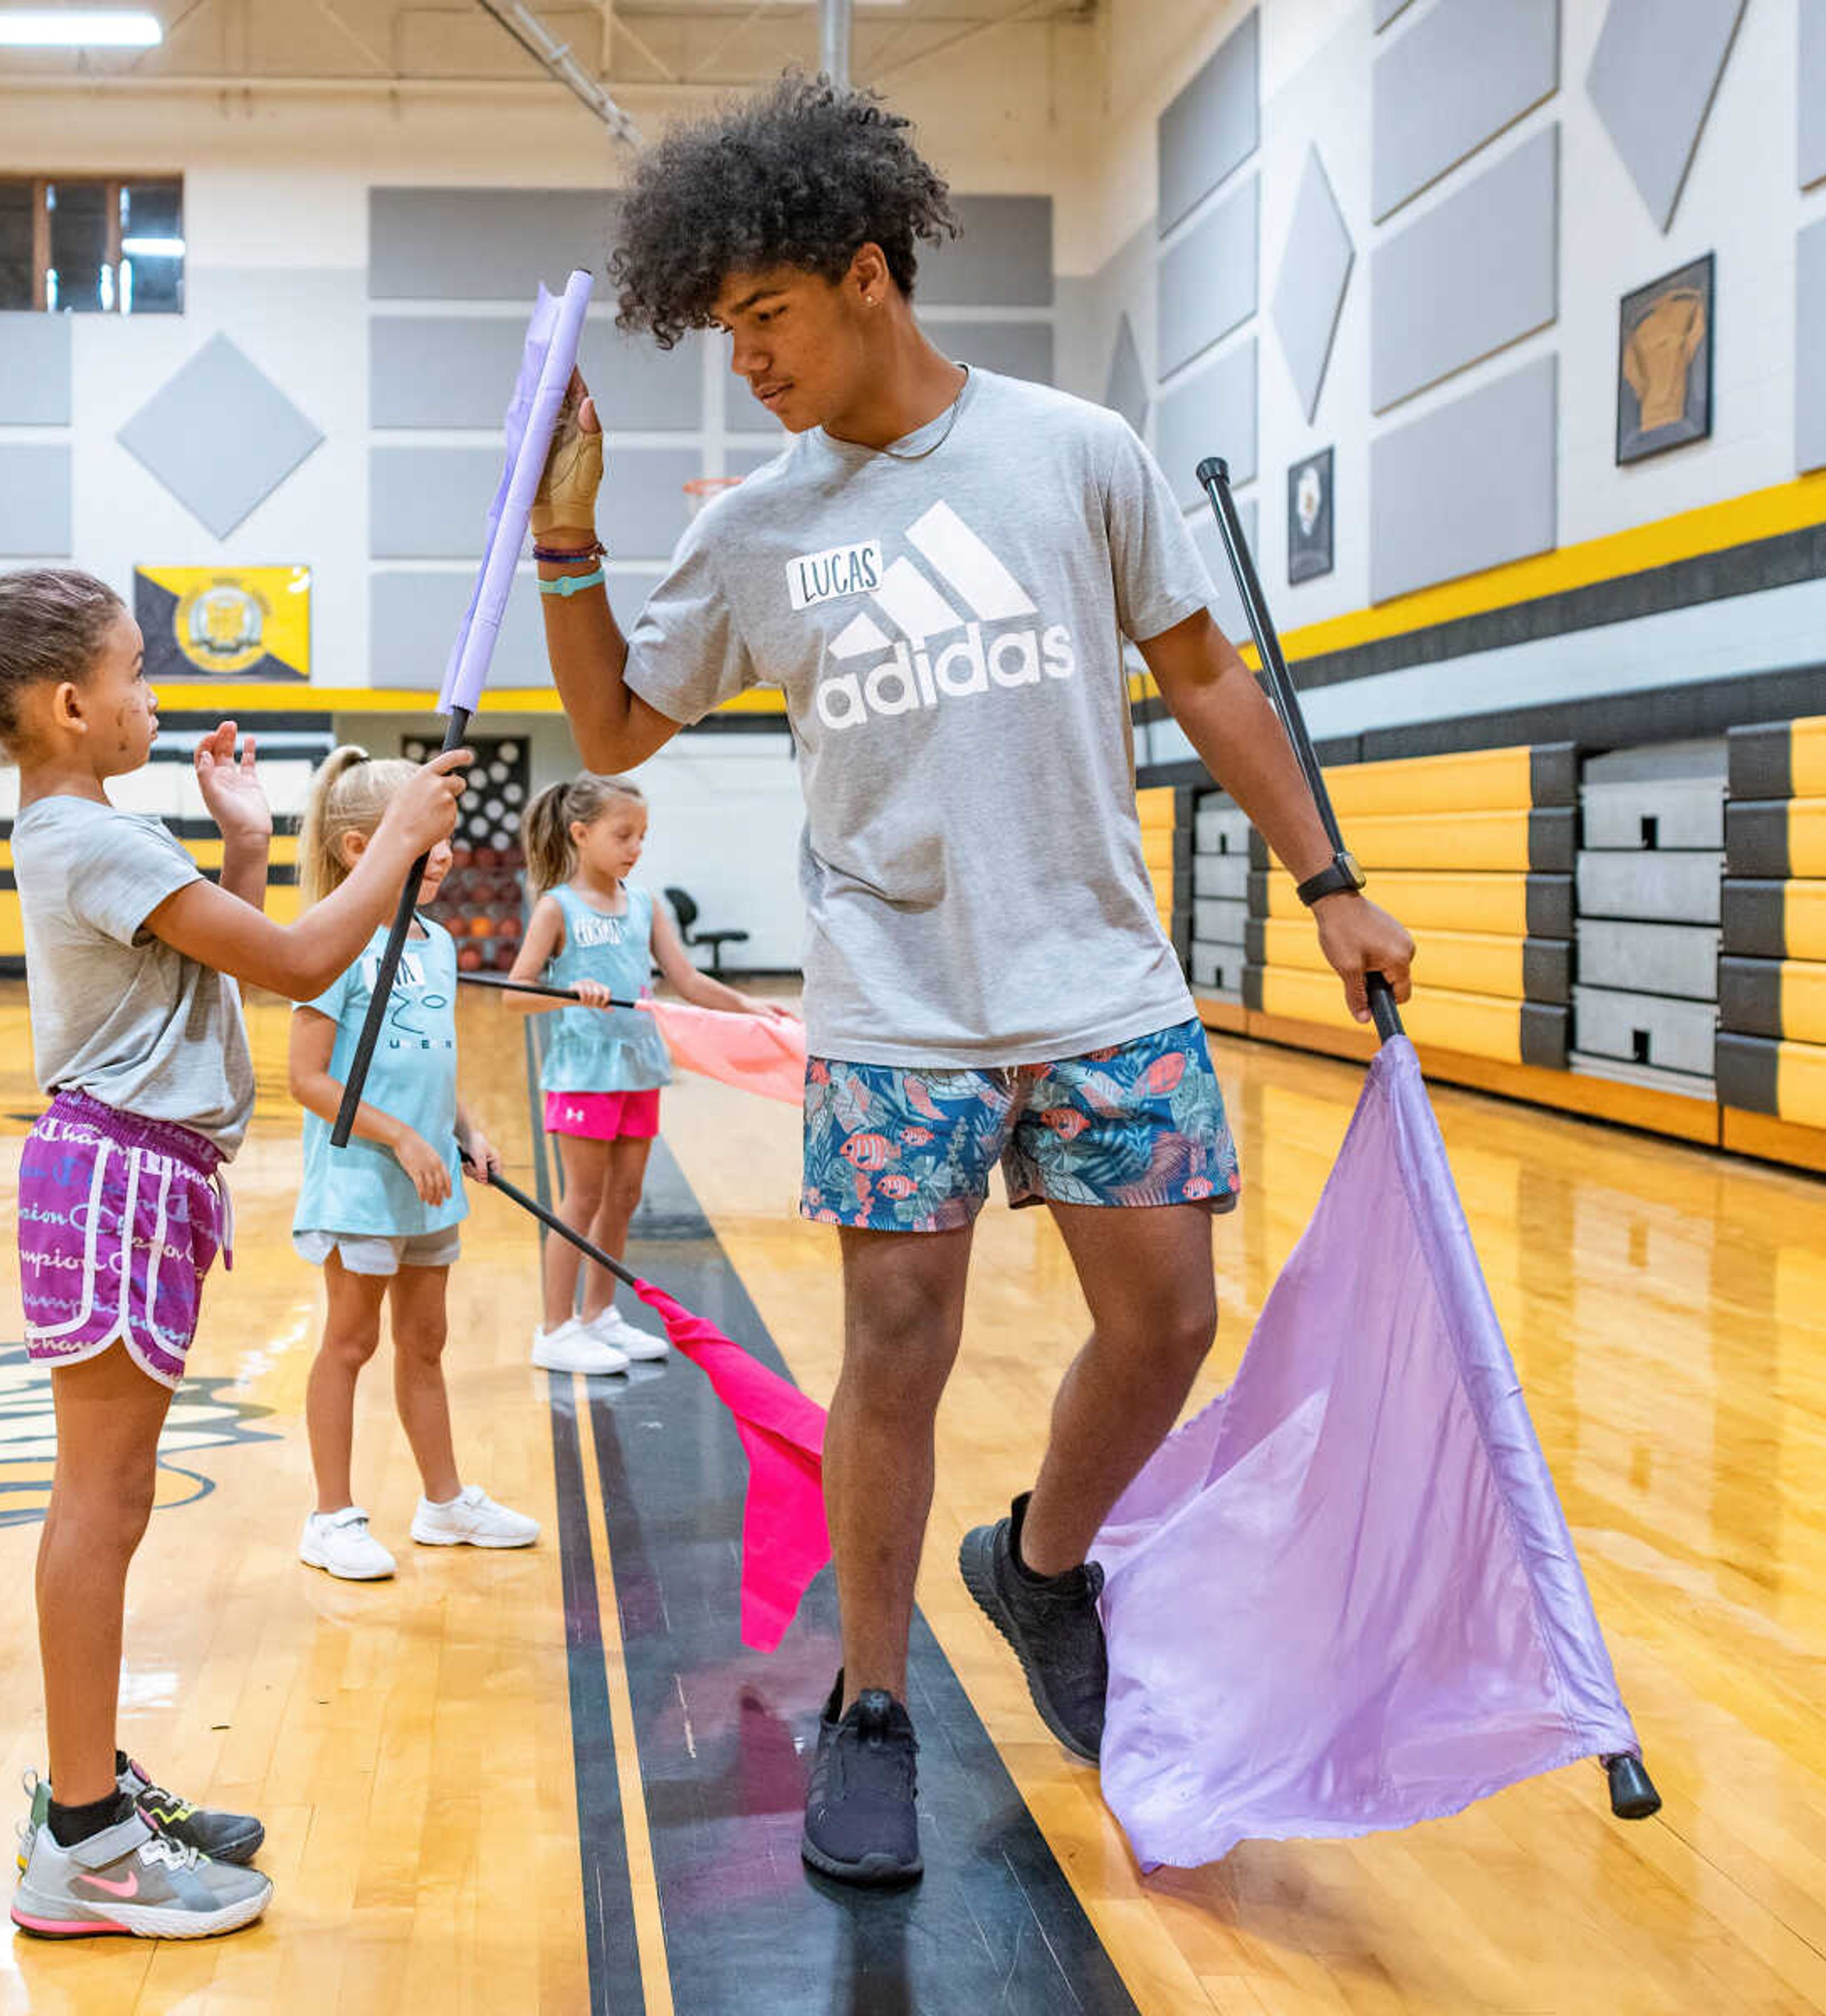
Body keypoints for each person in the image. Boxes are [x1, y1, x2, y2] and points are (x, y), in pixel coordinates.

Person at [526, 75, 1417, 1884]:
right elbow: (614, 720)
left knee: (1164, 1320)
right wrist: (565, 542)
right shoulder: (754, 526)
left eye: (764, 318)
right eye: (722, 332)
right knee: (893, 1354)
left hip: (1097, 971)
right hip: (892, 998)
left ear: (865, 275)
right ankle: (868, 1707)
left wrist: (1329, 881)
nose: (747, 361)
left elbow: (1208, 678)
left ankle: (1039, 1565)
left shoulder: (1073, 450)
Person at [0, 569, 467, 1935]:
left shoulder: (94, 823)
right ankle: (84, 1845)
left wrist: (252, 844)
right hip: (112, 1183)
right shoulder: (83, 836)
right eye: (137, 670)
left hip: (136, 1181)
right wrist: (386, 842)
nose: (155, 692)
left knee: (120, 1494)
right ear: (71, 703)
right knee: (98, 1503)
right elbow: (289, 964)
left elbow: (220, 953)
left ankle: (92, 1795)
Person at [288, 748, 539, 1580]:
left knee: (424, 1342)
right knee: (350, 1341)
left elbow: (431, 1058)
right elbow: (308, 1080)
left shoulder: (433, 942)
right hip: (362, 1178)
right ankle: (331, 1516)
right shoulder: (331, 943)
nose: (446, 853)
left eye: (446, 838)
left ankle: (443, 1501)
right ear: (362, 849)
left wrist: (465, 1126)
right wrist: (400, 1134)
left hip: (427, 1178)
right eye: (426, 837)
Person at [503, 772, 788, 1374]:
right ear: (580, 834)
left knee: (625, 1198)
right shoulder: (558, 906)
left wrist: (751, 1007)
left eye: (643, 837)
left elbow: (688, 981)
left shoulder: (645, 904)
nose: (636, 848)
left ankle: (598, 1314)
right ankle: (554, 1328)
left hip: (639, 1068)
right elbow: (515, 995)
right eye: (623, 835)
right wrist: (567, 993)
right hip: (584, 1073)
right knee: (580, 1199)